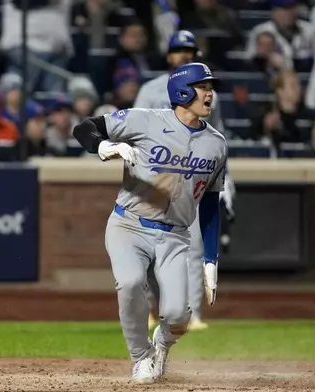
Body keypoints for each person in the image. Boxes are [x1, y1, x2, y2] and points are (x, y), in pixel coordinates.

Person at [72, 62, 227, 384]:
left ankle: (161, 343)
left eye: (210, 87)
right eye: (203, 87)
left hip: (175, 235)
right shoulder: (145, 120)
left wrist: (211, 258)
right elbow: (84, 128)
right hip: (129, 225)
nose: (210, 93)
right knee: (129, 284)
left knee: (179, 317)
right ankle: (141, 357)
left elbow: (211, 202)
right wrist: (103, 146)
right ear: (183, 91)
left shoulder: (216, 144)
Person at [133, 30, 234, 332]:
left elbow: (217, 141)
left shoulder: (207, 96)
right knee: (146, 249)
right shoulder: (151, 90)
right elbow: (137, 131)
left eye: (189, 50)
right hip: (155, 179)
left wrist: (225, 183)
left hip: (191, 179)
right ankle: (149, 309)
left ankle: (193, 313)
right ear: (169, 56)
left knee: (193, 247)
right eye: (178, 50)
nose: (184, 54)